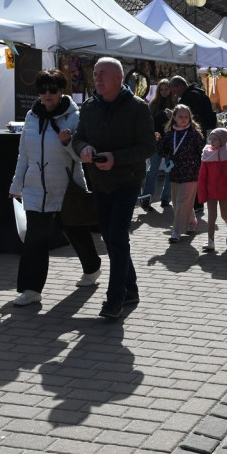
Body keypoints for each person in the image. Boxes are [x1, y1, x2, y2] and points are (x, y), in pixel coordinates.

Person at [9, 69, 101, 307]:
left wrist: (68, 142)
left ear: (61, 91)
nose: (47, 94)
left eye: (53, 89)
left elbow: (81, 157)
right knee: (35, 239)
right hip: (35, 188)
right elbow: (23, 155)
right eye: (43, 90)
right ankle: (31, 289)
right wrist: (16, 185)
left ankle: (92, 268)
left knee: (76, 232)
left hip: (66, 187)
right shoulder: (31, 117)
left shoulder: (74, 117)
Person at [73, 57, 155, 320]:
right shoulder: (89, 107)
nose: (97, 78)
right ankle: (131, 289)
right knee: (110, 238)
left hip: (126, 182)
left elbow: (148, 147)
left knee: (117, 237)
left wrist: (115, 158)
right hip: (99, 182)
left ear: (119, 78)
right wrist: (83, 148)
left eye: (103, 74)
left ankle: (114, 299)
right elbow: (78, 138)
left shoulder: (137, 108)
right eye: (95, 73)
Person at [157, 104, 204, 243]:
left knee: (182, 202)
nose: (184, 119)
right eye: (180, 116)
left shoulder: (194, 134)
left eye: (186, 117)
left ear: (190, 118)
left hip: (191, 173)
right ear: (174, 117)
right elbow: (162, 152)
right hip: (175, 173)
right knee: (178, 204)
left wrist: (202, 171)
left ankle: (176, 231)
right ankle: (192, 222)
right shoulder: (170, 134)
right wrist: (158, 141)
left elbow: (201, 153)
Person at [197, 127, 227, 252]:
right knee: (211, 216)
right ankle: (210, 240)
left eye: (215, 139)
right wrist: (202, 192)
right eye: (211, 139)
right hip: (211, 191)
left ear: (222, 141)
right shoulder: (207, 154)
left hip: (225, 190)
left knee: (225, 215)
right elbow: (202, 176)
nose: (212, 142)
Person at [140, 78, 174, 210]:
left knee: (169, 171)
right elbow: (148, 122)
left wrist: (172, 116)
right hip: (156, 140)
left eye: (167, 89)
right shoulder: (153, 104)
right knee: (152, 170)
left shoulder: (175, 104)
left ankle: (166, 199)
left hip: (170, 141)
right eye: (162, 89)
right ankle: (146, 198)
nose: (164, 91)